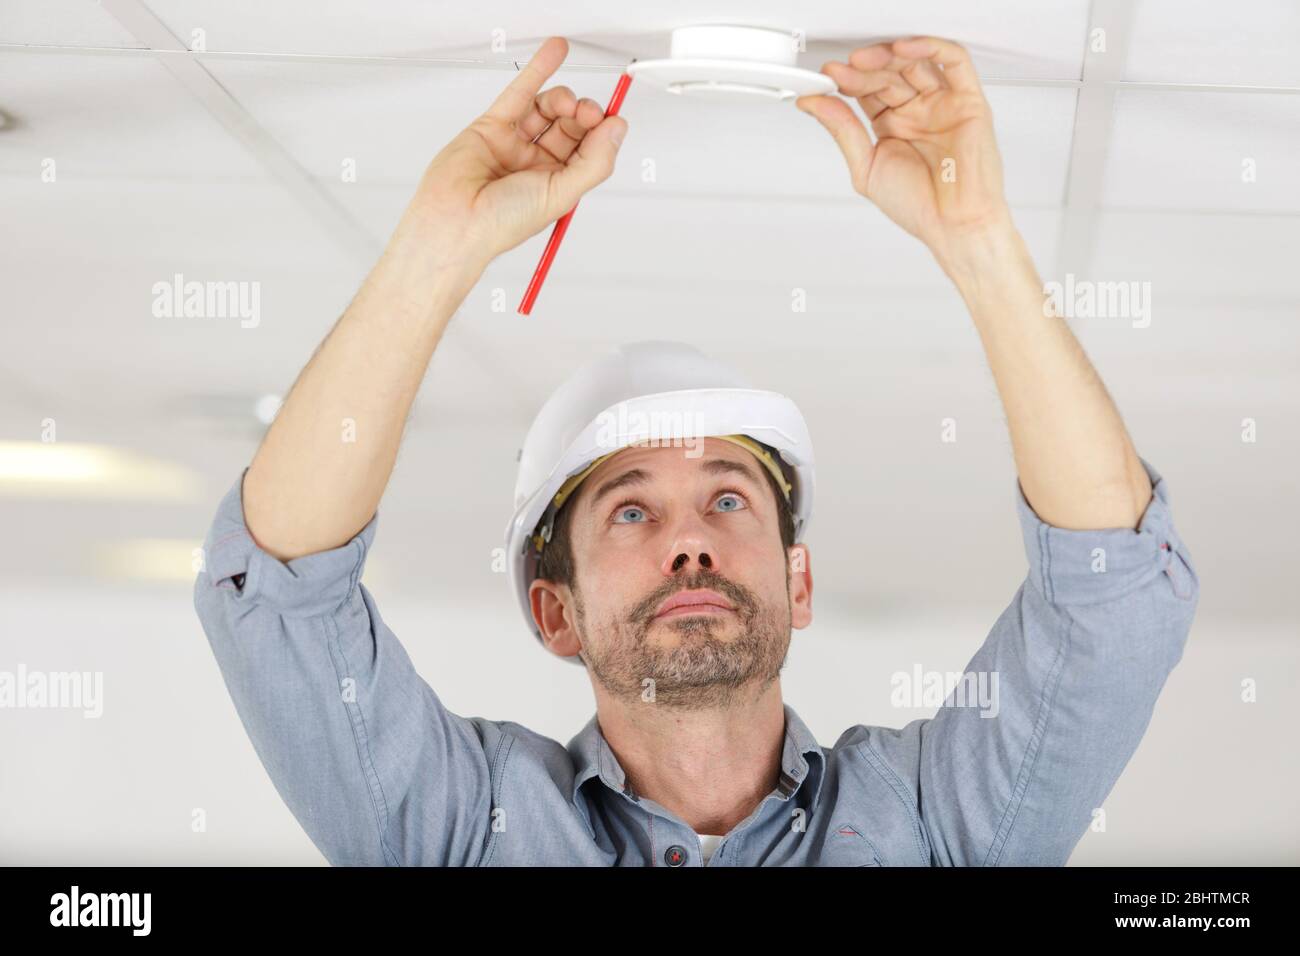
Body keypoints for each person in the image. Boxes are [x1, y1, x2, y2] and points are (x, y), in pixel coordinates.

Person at [193, 36, 1199, 866]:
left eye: (728, 499)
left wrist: (977, 239)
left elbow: (1108, 594)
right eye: (630, 509)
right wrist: (434, 249)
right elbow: (280, 597)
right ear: (556, 610)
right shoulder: (466, 826)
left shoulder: (930, 822)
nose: (690, 543)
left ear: (798, 579)